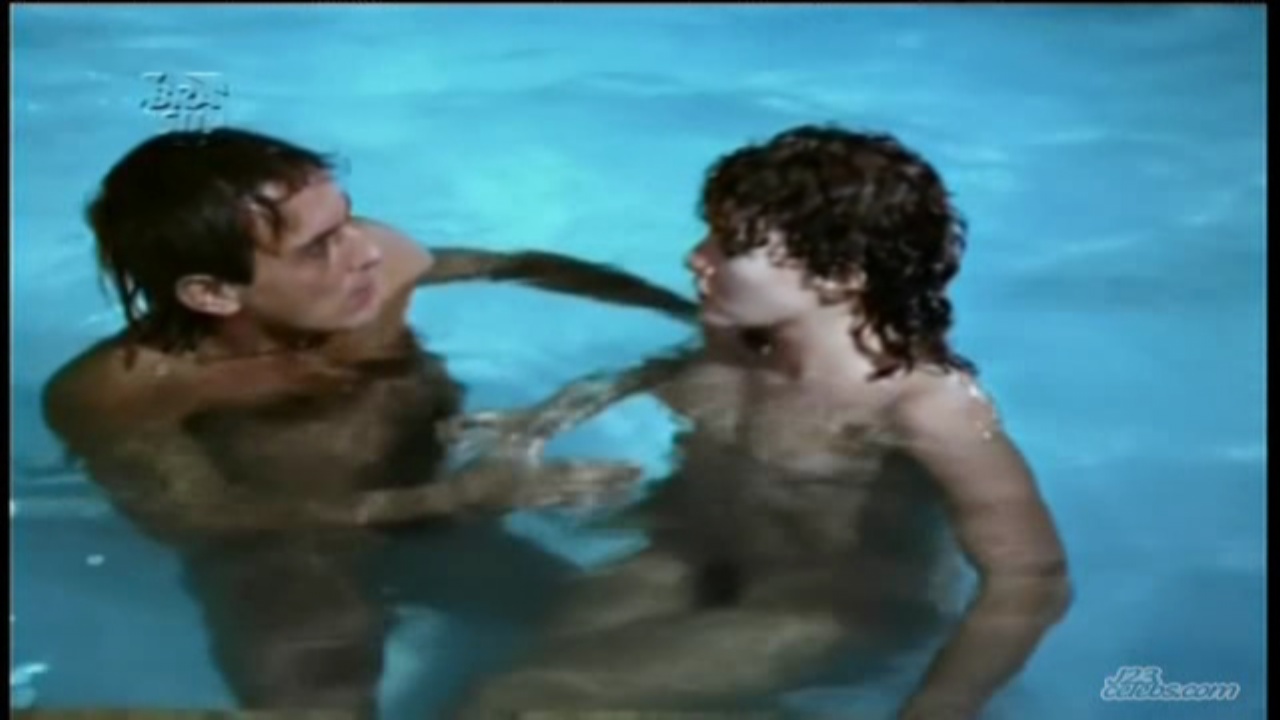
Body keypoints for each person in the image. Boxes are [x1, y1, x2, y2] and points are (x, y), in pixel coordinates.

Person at [39, 127, 701, 715]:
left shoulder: (379, 266)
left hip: (437, 519)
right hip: (286, 559)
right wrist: (448, 497)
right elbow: (199, 517)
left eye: (348, 219)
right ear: (212, 292)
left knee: (632, 648)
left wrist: (687, 315)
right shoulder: (123, 389)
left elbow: (513, 266)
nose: (367, 251)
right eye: (318, 247)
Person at [452, 124, 1073, 720]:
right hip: (686, 554)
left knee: (519, 698)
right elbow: (652, 372)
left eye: (730, 246)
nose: (695, 258)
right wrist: (536, 425)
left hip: (824, 607)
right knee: (521, 673)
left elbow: (1031, 579)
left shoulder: (922, 406)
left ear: (840, 276)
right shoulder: (741, 341)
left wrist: (938, 710)